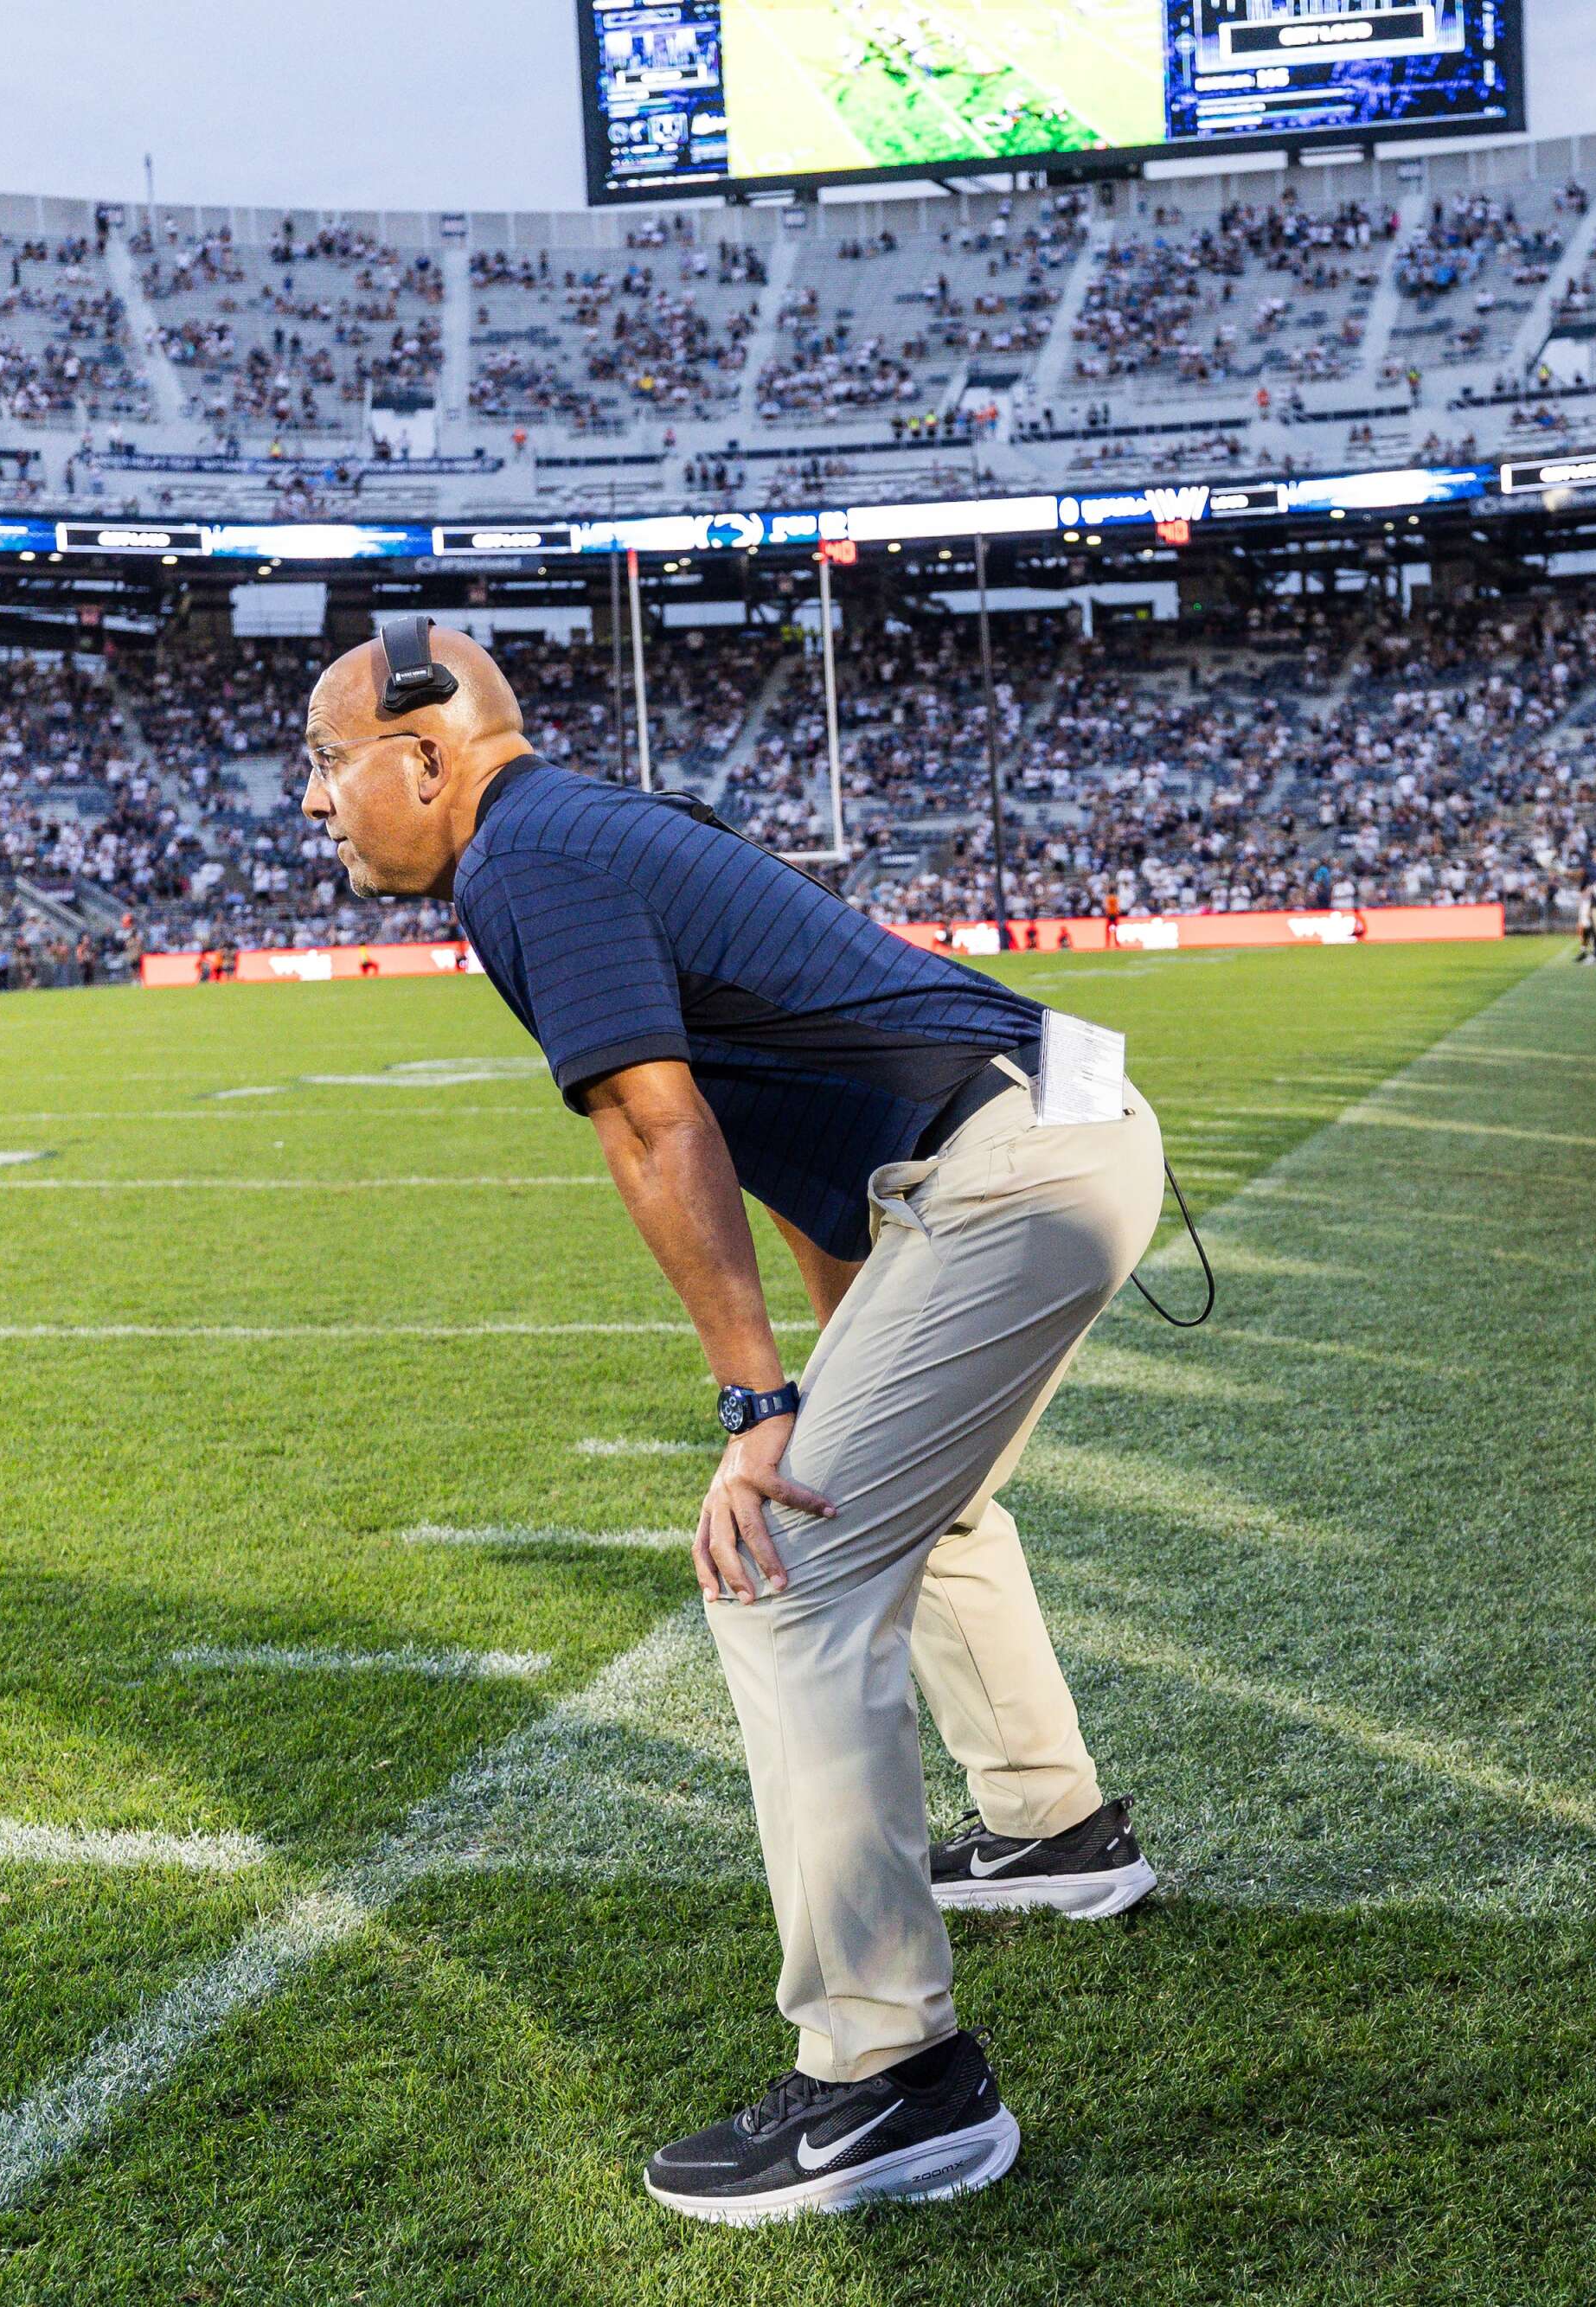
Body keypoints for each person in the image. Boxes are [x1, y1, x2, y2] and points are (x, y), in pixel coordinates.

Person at [299, 618, 1160, 2226]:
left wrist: (760, 1404)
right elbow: (817, 1113)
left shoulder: (521, 857)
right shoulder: (594, 821)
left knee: (786, 1564)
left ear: (424, 754)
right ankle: (1052, 1827)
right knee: (919, 1508)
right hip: (1055, 1124)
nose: (316, 803)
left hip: (1013, 1162)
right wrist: (840, 1362)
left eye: (328, 762)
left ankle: (890, 2077)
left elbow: (655, 1115)